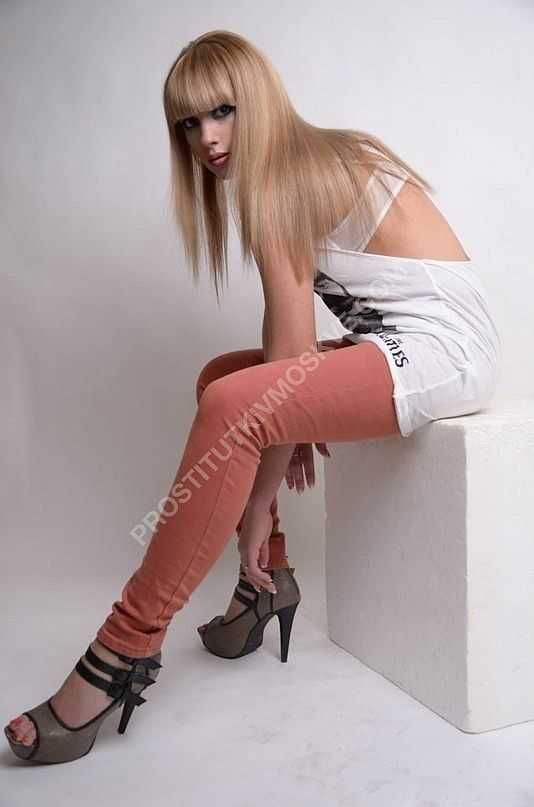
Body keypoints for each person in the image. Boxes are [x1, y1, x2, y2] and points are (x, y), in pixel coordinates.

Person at [5, 29, 501, 764]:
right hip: (398, 343)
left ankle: (123, 649)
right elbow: (285, 348)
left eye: (222, 111)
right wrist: (288, 413)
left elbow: (290, 356)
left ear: (258, 102)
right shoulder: (297, 165)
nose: (207, 139)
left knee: (233, 406)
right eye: (188, 123)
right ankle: (264, 585)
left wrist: (262, 497)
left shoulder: (286, 177)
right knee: (222, 380)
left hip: (443, 351)